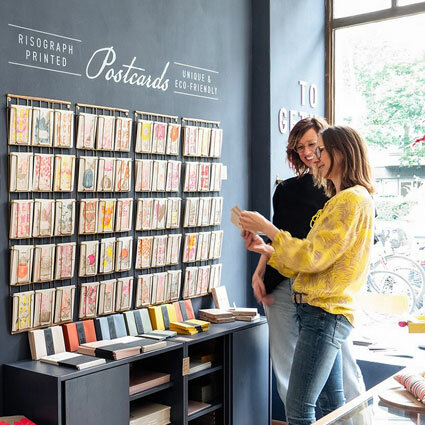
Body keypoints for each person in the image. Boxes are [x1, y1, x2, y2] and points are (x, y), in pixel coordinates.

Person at [240, 125, 375, 425]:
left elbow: (312, 257)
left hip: (324, 314)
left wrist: (269, 229)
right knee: (332, 405)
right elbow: (314, 257)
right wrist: (267, 249)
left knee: (300, 408)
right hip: (325, 312)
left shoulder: (349, 201)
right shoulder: (349, 198)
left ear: (341, 152)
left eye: (321, 149)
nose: (315, 156)